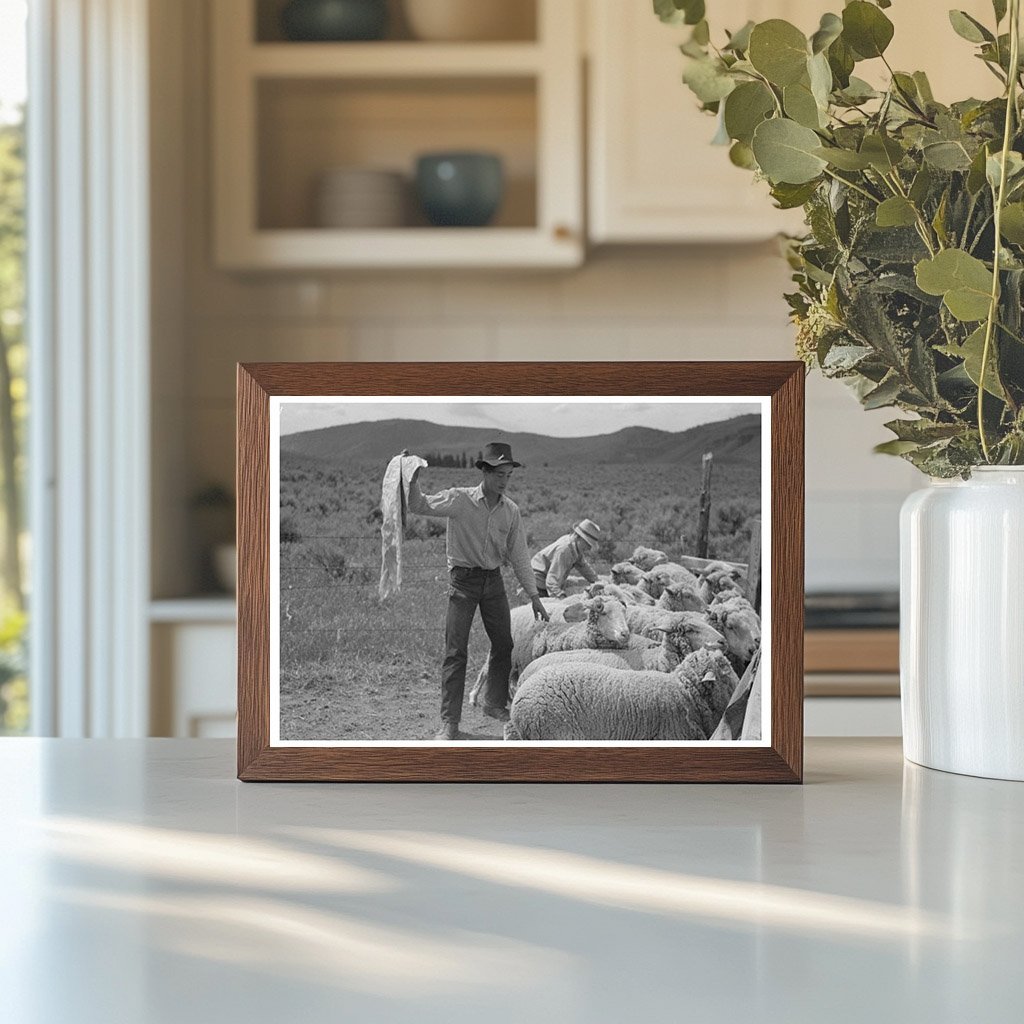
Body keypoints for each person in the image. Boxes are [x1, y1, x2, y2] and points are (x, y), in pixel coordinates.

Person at [404, 442, 549, 741]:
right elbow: (418, 506)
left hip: (493, 582)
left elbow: (519, 554)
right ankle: (450, 723)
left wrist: (534, 596)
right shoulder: (459, 500)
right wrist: (413, 478)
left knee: (504, 644)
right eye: (498, 473)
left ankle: (493, 702)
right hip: (463, 583)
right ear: (484, 471)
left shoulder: (511, 511)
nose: (504, 480)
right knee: (455, 651)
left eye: (508, 474)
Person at [531, 520, 602, 599]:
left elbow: (584, 568)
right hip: (535, 585)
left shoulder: (575, 548)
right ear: (578, 537)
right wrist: (561, 598)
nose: (589, 548)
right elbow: (552, 581)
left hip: (542, 584)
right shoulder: (565, 550)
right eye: (588, 543)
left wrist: (599, 583)